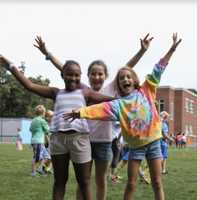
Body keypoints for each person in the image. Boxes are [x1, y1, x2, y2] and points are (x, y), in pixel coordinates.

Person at [34, 33, 153, 200]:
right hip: (85, 142)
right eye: (93, 74)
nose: (97, 77)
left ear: (105, 76)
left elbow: (126, 68)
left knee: (101, 181)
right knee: (84, 181)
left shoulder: (111, 89)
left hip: (104, 143)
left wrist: (142, 51)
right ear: (87, 76)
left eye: (100, 74)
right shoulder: (83, 90)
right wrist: (47, 53)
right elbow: (64, 69)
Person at [63, 33, 182, 200]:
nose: (125, 79)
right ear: (118, 85)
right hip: (135, 147)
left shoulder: (147, 89)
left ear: (134, 80)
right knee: (131, 184)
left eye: (128, 77)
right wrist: (79, 112)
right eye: (121, 79)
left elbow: (159, 68)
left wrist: (171, 49)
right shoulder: (118, 104)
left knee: (157, 182)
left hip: (154, 143)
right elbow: (98, 109)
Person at [0, 55, 116, 200]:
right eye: (69, 74)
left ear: (80, 76)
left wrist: (134, 98)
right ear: (62, 75)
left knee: (84, 182)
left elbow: (112, 101)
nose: (73, 78)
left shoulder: (85, 93)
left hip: (79, 139)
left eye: (76, 75)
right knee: (60, 182)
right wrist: (10, 66)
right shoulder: (56, 92)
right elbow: (29, 86)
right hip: (58, 141)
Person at [29, 105, 50, 176]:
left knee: (47, 157)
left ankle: (40, 169)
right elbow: (48, 130)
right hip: (39, 142)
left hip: (35, 141)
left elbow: (31, 129)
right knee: (37, 158)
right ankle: (33, 172)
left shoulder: (33, 120)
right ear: (43, 113)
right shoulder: (42, 121)